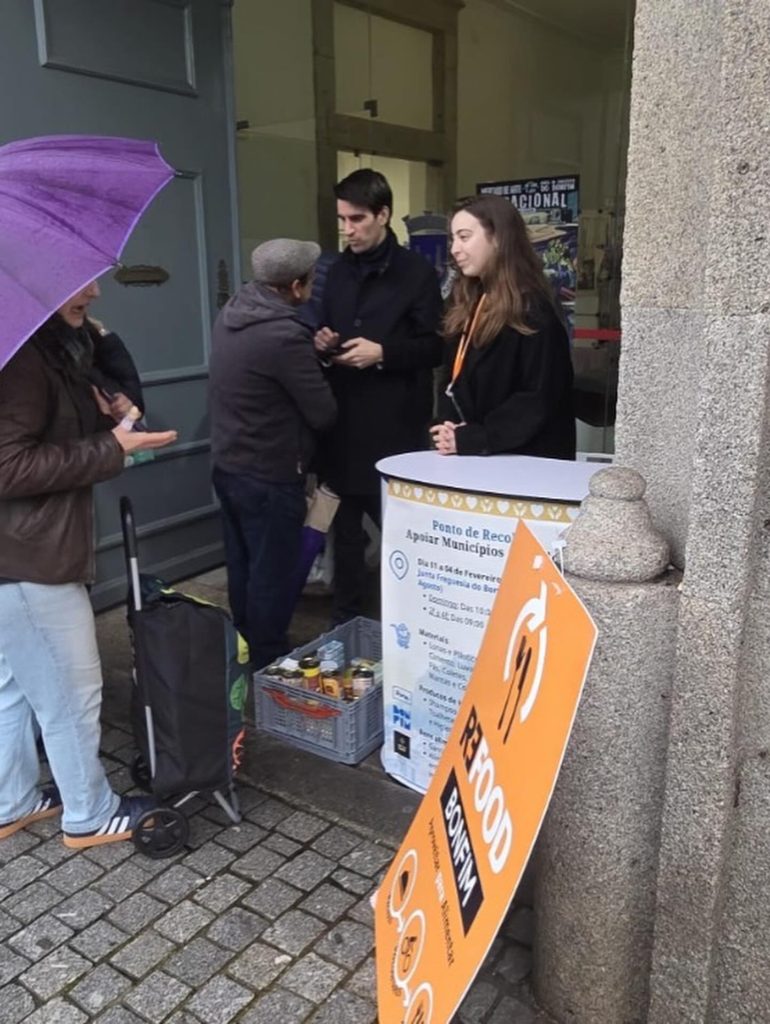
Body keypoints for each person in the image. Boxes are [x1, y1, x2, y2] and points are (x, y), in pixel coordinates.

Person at [0, 282, 177, 847]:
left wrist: (113, 423)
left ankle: (13, 801)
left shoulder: (38, 347)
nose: (94, 292)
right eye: (76, 283)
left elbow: (47, 438)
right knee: (70, 692)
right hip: (30, 557)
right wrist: (110, 449)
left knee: (14, 688)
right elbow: (8, 466)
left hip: (21, 552)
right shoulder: (23, 360)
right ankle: (89, 812)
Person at [314, 169, 443, 623]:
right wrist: (325, 343)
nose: (347, 229)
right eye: (342, 220)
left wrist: (383, 353)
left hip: (394, 429)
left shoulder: (418, 273)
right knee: (344, 536)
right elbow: (322, 327)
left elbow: (435, 345)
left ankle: (410, 624)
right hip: (341, 424)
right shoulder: (334, 272)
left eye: (357, 219)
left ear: (384, 215)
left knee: (401, 534)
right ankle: (345, 625)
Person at [209, 238, 336, 668]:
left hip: (229, 465)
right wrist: (323, 360)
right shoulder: (284, 334)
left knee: (242, 565)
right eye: (312, 280)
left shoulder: (234, 312)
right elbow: (323, 412)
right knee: (273, 575)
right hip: (269, 472)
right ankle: (268, 661)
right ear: (296, 285)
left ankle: (243, 647)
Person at [431, 194, 576, 459]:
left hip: (524, 467)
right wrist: (449, 427)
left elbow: (539, 397)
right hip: (475, 458)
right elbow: (451, 376)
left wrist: (474, 437)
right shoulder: (468, 299)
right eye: (453, 239)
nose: (454, 249)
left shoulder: (534, 308)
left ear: (498, 238)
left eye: (464, 237)